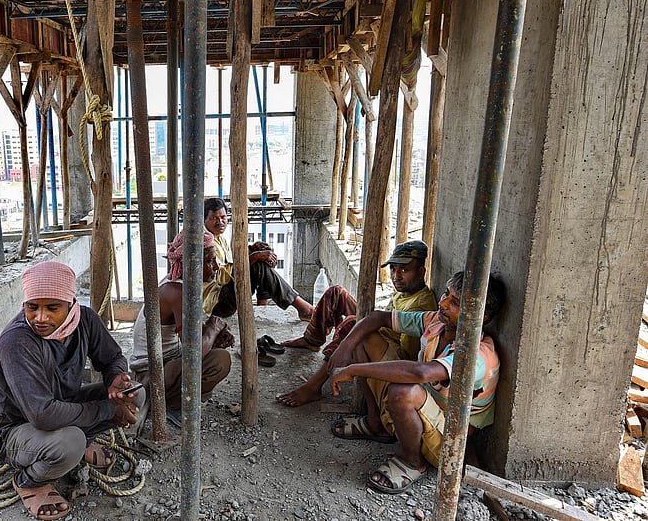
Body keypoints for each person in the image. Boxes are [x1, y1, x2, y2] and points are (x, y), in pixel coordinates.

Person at [0, 261, 145, 520]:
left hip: (62, 406)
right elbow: (43, 415)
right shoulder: (17, 341)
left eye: (52, 308)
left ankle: (79, 448)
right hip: (15, 429)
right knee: (71, 442)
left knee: (135, 393)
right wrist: (107, 409)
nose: (40, 317)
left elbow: (112, 356)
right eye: (32, 307)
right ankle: (29, 482)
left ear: (71, 305)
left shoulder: (85, 320)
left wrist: (116, 380)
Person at [329, 271, 506, 494]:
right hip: (419, 411)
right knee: (363, 338)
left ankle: (413, 462)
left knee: (403, 391)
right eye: (446, 294)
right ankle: (377, 424)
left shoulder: (479, 356)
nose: (442, 303)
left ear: (481, 318)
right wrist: (344, 349)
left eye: (454, 303)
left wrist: (352, 369)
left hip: (445, 442)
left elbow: (421, 372)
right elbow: (377, 318)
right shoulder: (437, 324)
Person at [276, 240, 437, 407]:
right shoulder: (406, 291)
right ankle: (312, 340)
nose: (396, 276)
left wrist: (359, 335)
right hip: (383, 332)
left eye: (404, 270)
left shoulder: (420, 305)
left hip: (388, 352)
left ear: (421, 272)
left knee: (352, 325)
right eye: (393, 269)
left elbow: (408, 357)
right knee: (336, 293)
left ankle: (313, 386)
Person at [130, 230, 234, 426]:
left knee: (215, 350)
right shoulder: (177, 292)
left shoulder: (179, 285)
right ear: (192, 265)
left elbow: (191, 332)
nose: (216, 266)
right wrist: (212, 329)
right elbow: (193, 352)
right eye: (210, 261)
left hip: (164, 364)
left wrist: (214, 332)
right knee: (221, 360)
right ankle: (171, 405)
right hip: (150, 375)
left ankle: (171, 400)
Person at [202, 197, 313, 320]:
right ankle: (303, 309)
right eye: (214, 218)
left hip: (225, 293)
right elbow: (221, 276)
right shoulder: (206, 242)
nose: (220, 222)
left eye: (223, 218)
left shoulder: (219, 238)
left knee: (261, 251)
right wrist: (254, 257)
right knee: (257, 264)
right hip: (217, 303)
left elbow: (231, 262)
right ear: (204, 219)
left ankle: (262, 305)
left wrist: (253, 250)